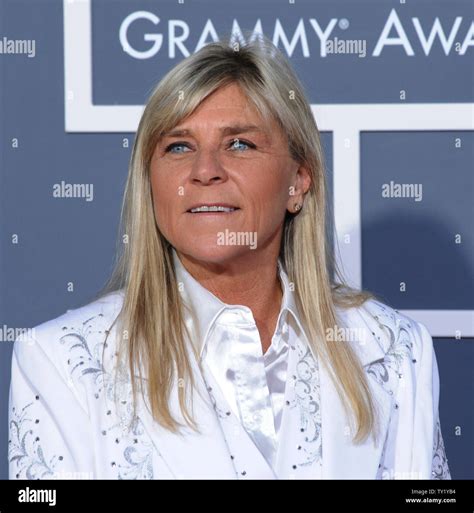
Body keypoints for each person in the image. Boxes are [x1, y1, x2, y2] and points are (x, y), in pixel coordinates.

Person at [8, 35, 451, 480]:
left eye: (239, 144)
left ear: (298, 181)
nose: (205, 170)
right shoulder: (61, 363)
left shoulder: (395, 350)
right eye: (178, 147)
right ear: (150, 182)